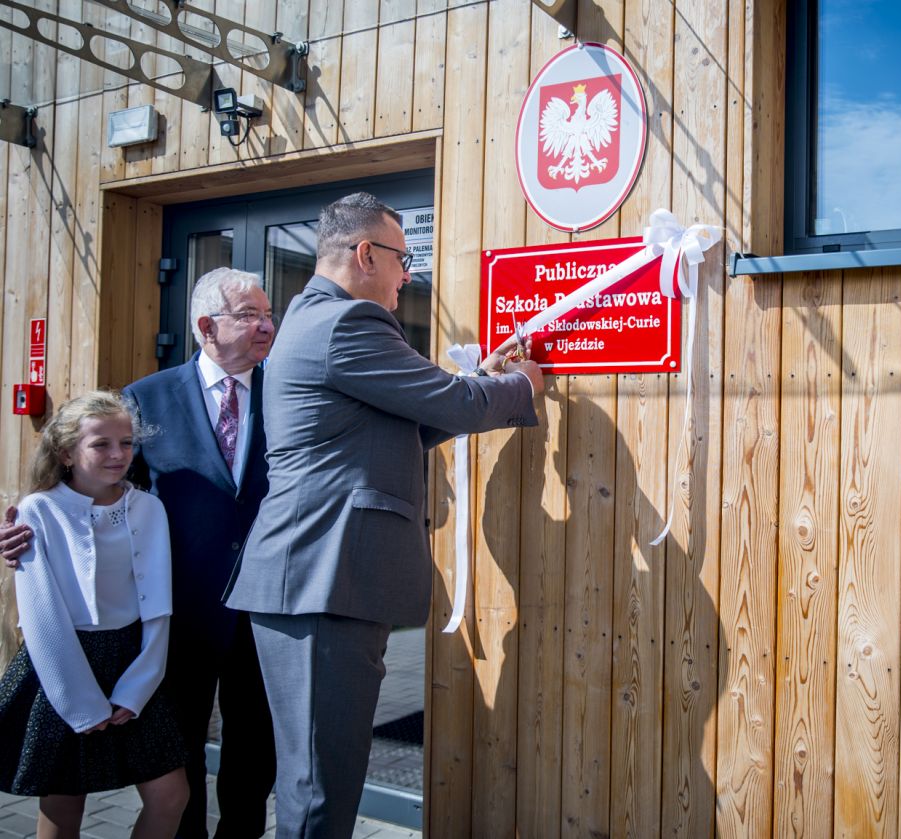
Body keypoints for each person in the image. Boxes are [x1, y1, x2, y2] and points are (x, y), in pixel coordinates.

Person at [223, 191, 543, 838]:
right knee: (320, 789)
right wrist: (521, 385)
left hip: (318, 579)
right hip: (321, 579)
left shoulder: (316, 318)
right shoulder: (348, 322)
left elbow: (409, 425)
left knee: (321, 779)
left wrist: (483, 380)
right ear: (366, 254)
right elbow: (452, 404)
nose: (408, 275)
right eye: (403, 259)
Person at [0, 268, 278, 839]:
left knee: (255, 752)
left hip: (267, 609)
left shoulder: (289, 394)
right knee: (178, 759)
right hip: (179, 616)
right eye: (250, 315)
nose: (267, 326)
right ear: (206, 326)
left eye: (268, 314)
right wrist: (30, 532)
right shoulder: (145, 398)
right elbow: (106, 497)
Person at [0, 390, 189, 838]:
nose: (118, 454)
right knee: (64, 805)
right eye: (100, 444)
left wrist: (140, 684)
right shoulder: (39, 510)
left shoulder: (148, 507)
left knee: (170, 795)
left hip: (133, 663)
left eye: (126, 443)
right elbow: (43, 616)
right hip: (62, 666)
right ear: (67, 452)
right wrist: (80, 703)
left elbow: (158, 605)